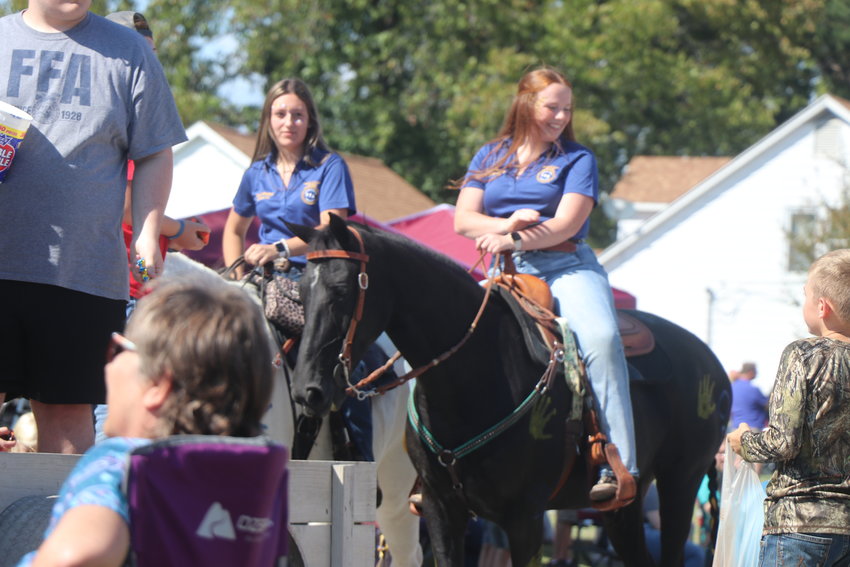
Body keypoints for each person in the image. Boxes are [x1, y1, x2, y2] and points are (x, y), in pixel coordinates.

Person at [0, 0, 186, 454]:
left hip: (84, 273)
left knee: (66, 414)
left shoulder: (129, 50)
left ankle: (60, 523)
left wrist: (147, 233)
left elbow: (155, 152)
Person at [453, 66, 637, 501]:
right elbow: (463, 219)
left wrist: (510, 235)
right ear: (526, 103)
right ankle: (444, 461)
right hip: (509, 270)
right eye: (552, 106)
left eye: (566, 109)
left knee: (601, 338)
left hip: (566, 266)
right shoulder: (489, 156)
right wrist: (508, 224)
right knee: (455, 339)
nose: (560, 116)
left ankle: (620, 464)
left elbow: (566, 223)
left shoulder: (577, 159)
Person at [15, 273, 275, 566]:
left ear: (157, 387)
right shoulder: (252, 480)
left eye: (118, 350)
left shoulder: (121, 468)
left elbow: (77, 556)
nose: (108, 364)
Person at [91, 9, 211, 444]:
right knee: (114, 404)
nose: (146, 61)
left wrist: (167, 236)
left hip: (128, 282)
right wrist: (175, 230)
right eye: (138, 51)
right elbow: (121, 204)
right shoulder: (109, 106)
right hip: (110, 284)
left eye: (151, 52)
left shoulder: (141, 107)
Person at [728, 249, 850, 566]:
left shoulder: (802, 354)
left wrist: (744, 442)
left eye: (806, 295)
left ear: (822, 307)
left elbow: (783, 442)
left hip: (800, 524)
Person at [222, 77, 356, 280]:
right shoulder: (256, 173)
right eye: (280, 114)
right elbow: (234, 229)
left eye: (298, 115)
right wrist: (235, 277)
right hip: (266, 277)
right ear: (268, 119)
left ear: (310, 120)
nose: (289, 123)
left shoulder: (330, 166)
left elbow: (331, 230)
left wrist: (279, 249)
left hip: (315, 279)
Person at [730, 361, 769, 429]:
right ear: (751, 372)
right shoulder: (753, 389)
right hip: (752, 429)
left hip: (736, 429)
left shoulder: (732, 387)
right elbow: (767, 405)